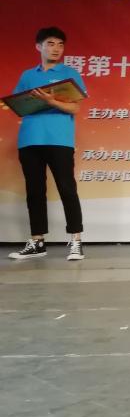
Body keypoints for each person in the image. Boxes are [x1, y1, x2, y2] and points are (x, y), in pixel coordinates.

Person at [8, 27, 87, 261]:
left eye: (60, 44)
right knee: (34, 191)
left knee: (67, 189)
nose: (56, 49)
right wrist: (30, 102)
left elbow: (75, 107)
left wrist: (52, 101)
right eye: (51, 43)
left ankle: (76, 241)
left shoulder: (69, 73)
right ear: (39, 47)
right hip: (30, 140)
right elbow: (18, 106)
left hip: (59, 140)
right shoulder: (27, 75)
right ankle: (37, 242)